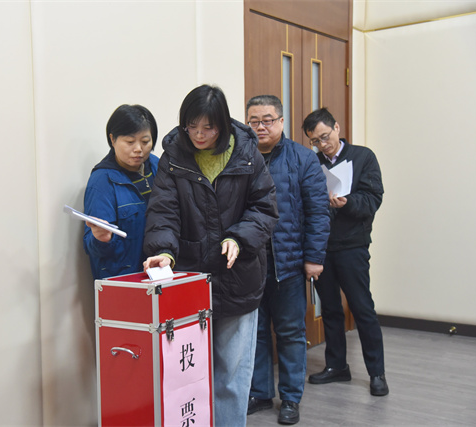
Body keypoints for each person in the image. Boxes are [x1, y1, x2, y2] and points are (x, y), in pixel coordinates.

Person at [143, 85, 279, 426]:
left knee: (231, 377)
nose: (199, 135)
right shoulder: (174, 156)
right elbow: (163, 211)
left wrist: (239, 237)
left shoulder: (247, 153)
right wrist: (163, 251)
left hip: (239, 278)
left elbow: (265, 208)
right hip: (191, 281)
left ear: (223, 125)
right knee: (189, 374)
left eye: (208, 127)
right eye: (192, 126)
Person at [245, 96, 330, 424]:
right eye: (254, 121)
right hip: (251, 264)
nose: (261, 126)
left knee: (291, 332)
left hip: (290, 264)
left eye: (267, 120)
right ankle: (260, 392)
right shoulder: (241, 157)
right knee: (256, 332)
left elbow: (318, 212)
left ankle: (291, 397)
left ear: (281, 121)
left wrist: (314, 258)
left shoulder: (302, 158)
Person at [302, 107, 388, 396]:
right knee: (330, 309)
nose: (322, 144)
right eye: (315, 141)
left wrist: (347, 202)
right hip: (321, 248)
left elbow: (373, 199)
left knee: (362, 308)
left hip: (352, 246)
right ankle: (337, 366)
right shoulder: (313, 163)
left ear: (337, 128)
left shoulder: (363, 157)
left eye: (325, 136)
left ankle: (376, 373)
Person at [83, 104, 159, 280]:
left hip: (158, 275)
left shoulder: (157, 166)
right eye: (130, 142)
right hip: (124, 281)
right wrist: (102, 239)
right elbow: (90, 246)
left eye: (145, 141)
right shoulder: (102, 181)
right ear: (113, 139)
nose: (138, 149)